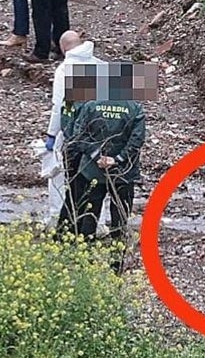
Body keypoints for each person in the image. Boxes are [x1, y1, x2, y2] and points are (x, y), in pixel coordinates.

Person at [60, 67, 147, 265]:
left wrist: (96, 155)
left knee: (89, 215)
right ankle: (116, 264)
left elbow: (78, 136)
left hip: (92, 170)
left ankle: (84, 260)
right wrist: (118, 159)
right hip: (123, 173)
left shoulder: (92, 105)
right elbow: (137, 140)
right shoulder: (135, 109)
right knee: (119, 219)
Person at [42, 31, 104, 227]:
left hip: (73, 132)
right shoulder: (100, 65)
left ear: (63, 48)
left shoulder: (64, 70)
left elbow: (61, 106)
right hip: (99, 130)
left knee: (59, 175)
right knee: (96, 176)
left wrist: (52, 135)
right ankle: (97, 222)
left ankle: (57, 218)